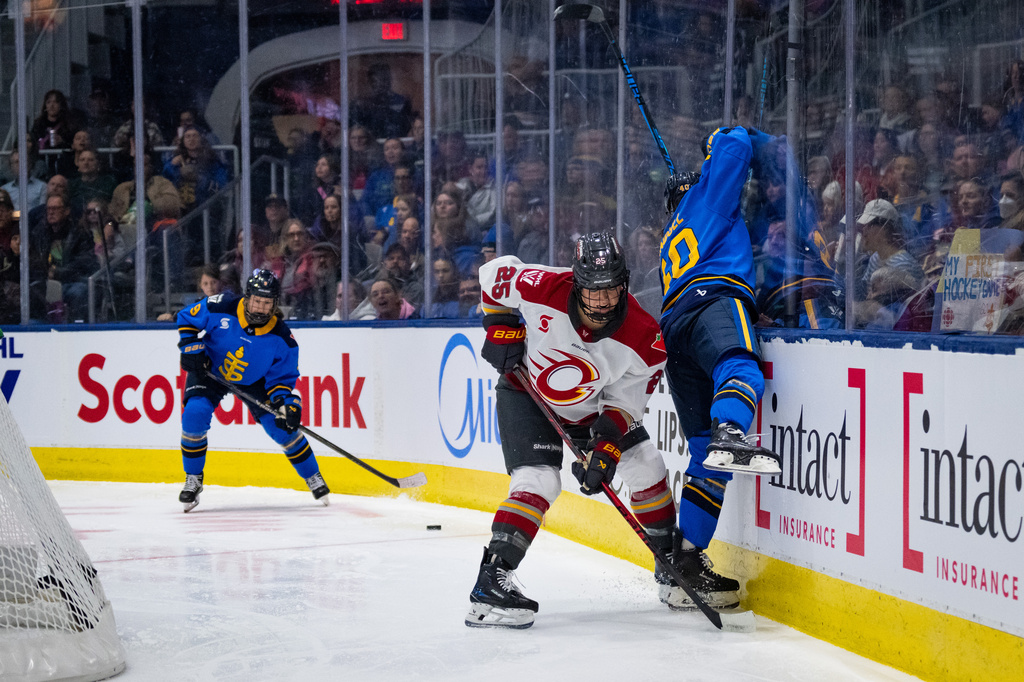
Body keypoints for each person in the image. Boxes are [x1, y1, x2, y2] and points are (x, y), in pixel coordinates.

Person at [466, 232, 674, 629]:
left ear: (624, 283)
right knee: (539, 480)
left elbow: (625, 403)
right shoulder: (542, 285)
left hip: (591, 412)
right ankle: (491, 580)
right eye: (593, 291)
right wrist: (501, 327)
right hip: (527, 394)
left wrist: (605, 449)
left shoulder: (645, 337)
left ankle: (668, 562)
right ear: (576, 283)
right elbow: (491, 276)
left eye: (611, 290)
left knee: (647, 465)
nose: (602, 301)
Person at [659, 126, 782, 609]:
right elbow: (734, 149)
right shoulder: (705, 200)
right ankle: (734, 429)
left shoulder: (675, 234)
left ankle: (683, 565)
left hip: (675, 329)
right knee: (742, 369)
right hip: (713, 303)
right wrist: (726, 135)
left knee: (705, 455)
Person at [175, 269, 331, 512]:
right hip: (210, 368)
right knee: (195, 413)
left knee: (280, 427)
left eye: (266, 303)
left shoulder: (283, 338)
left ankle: (313, 476)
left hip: (255, 381)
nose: (260, 308)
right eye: (256, 301)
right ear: (247, 297)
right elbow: (186, 318)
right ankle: (193, 480)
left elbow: (282, 380)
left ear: (275, 304)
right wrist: (191, 347)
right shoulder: (223, 305)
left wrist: (286, 404)